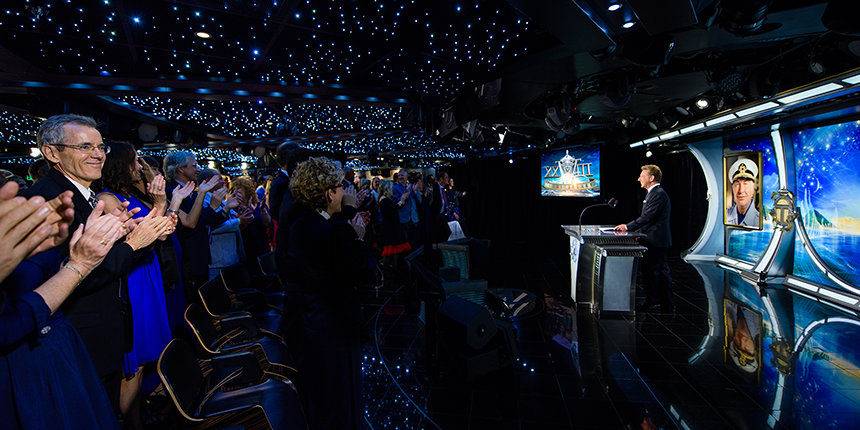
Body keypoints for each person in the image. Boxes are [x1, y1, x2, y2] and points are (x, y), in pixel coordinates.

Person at [20, 113, 173, 414]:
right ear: (52, 153)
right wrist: (132, 244)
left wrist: (134, 236)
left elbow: (102, 259)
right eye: (85, 147)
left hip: (102, 333)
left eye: (101, 147)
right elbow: (69, 278)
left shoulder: (85, 196)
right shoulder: (49, 202)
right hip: (78, 339)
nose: (98, 154)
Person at [1, 180, 126, 429]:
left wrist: (83, 250)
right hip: (24, 364)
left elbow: (44, 276)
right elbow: (8, 326)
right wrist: (79, 265)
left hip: (58, 345)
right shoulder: (42, 193)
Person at [283, 157, 375, 430]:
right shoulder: (325, 229)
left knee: (325, 397)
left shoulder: (305, 222)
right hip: (330, 325)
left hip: (313, 321)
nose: (345, 192)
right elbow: (363, 271)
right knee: (336, 400)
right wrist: (357, 237)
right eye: (340, 186)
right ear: (328, 193)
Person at [95, 141, 178, 430]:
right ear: (120, 165)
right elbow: (141, 237)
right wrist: (160, 205)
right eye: (134, 162)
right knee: (134, 364)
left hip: (147, 270)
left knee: (146, 359)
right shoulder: (107, 198)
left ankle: (140, 413)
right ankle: (133, 423)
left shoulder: (130, 195)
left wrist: (164, 216)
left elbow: (159, 235)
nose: (138, 168)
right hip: (133, 277)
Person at [162, 151, 225, 302]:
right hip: (187, 256)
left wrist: (223, 209)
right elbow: (191, 223)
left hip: (200, 254)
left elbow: (204, 220)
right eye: (194, 165)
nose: (198, 169)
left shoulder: (193, 191)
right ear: (181, 169)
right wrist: (212, 206)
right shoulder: (171, 192)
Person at [614, 164, 673, 313]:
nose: (639, 179)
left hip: (656, 241)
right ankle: (662, 303)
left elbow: (647, 217)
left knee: (655, 272)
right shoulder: (653, 193)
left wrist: (628, 227)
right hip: (653, 239)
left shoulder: (658, 194)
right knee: (654, 272)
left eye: (642, 176)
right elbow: (650, 220)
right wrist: (638, 232)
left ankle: (657, 303)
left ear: (651, 178)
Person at [726, 157, 760, 228]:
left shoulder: (759, 220)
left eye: (746, 184)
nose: (741, 190)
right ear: (732, 188)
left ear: (753, 188)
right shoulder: (724, 215)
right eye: (737, 184)